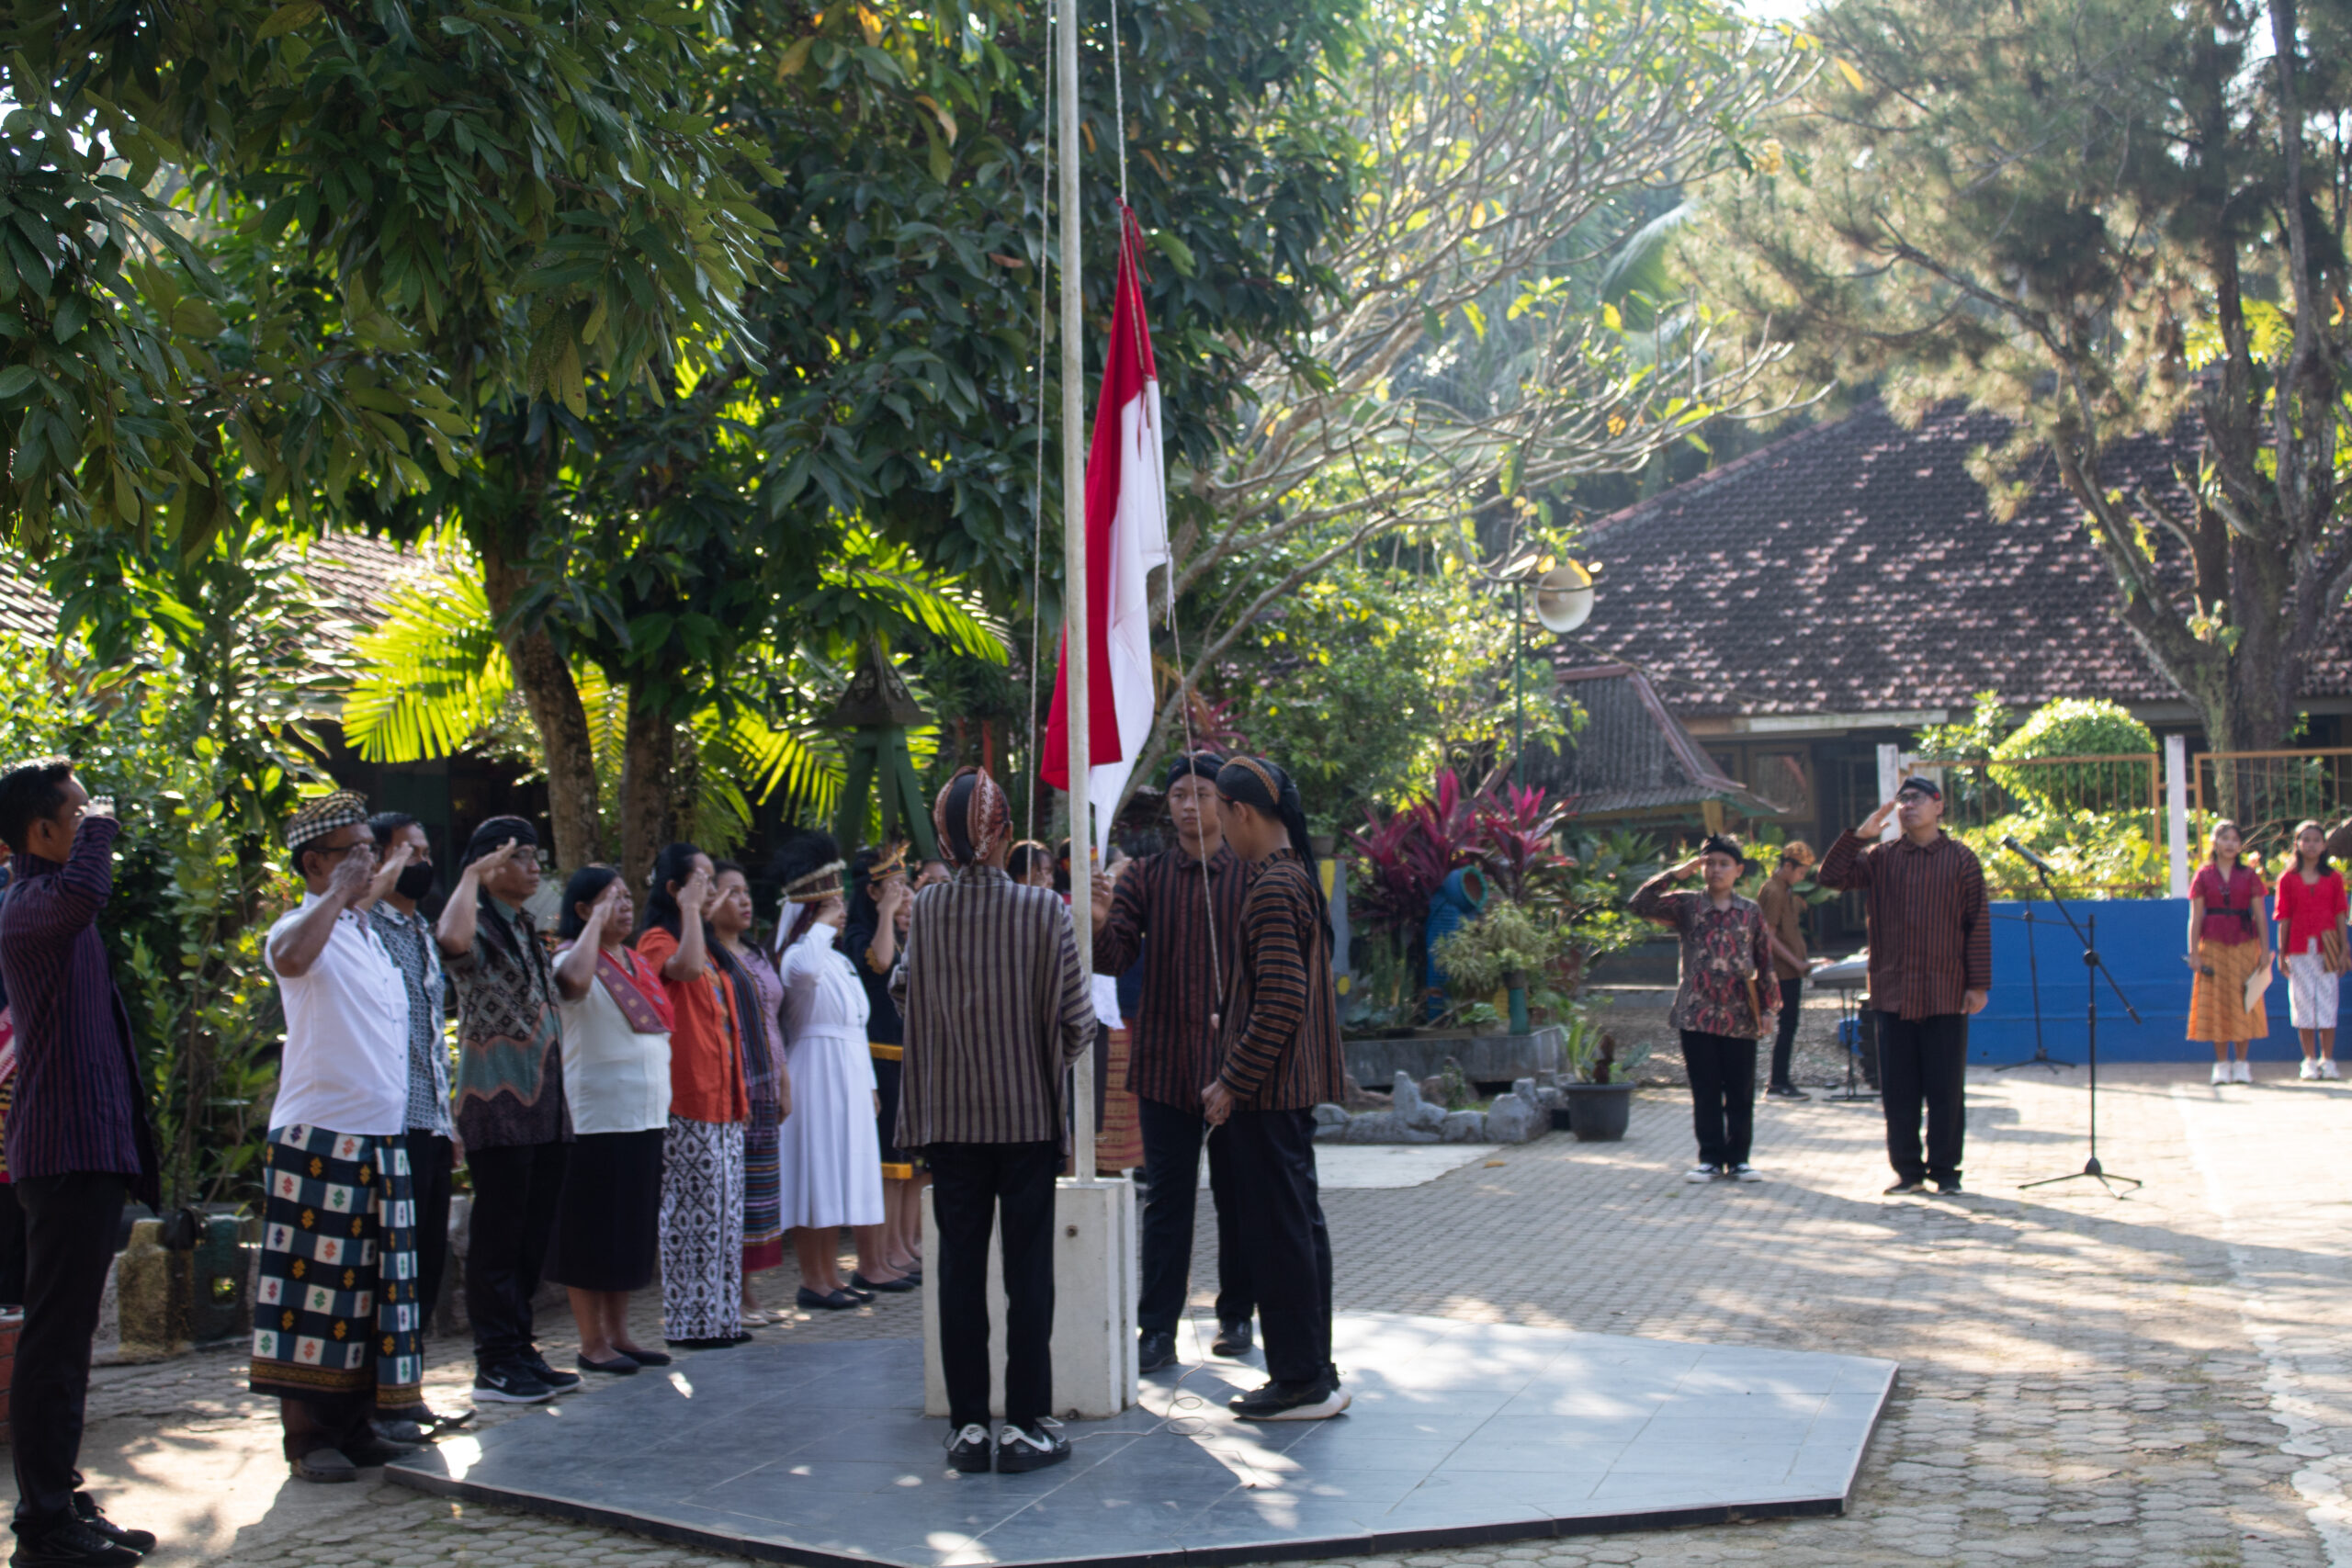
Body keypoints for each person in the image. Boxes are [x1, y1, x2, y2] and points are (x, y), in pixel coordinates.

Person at [892, 767, 1092, 1475]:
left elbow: (903, 990)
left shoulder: (931, 907)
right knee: (1028, 1275)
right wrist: (1040, 1059)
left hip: (948, 1121)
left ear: (944, 841)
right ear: (1004, 834)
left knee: (958, 1271)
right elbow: (1078, 1020)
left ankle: (969, 1424)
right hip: (1027, 1119)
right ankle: (1029, 1421)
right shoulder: (1046, 911)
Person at [0, 760, 160, 1567]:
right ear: (42, 832)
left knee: (69, 1341)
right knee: (52, 1343)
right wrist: (102, 826)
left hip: (88, 1150)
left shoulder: (55, 909)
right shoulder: (30, 906)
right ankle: (42, 1528)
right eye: (77, 809)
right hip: (60, 1152)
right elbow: (87, 891)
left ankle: (59, 1501)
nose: (94, 818)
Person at [254, 793, 428, 1483]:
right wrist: (337, 894)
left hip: (380, 1136)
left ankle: (357, 1426)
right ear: (315, 862)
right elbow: (292, 960)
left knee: (369, 1291)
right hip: (318, 1136)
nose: (369, 860)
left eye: (370, 848)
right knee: (312, 1293)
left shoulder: (367, 937)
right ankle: (307, 1437)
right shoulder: (301, 923)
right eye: (353, 850)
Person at [1088, 751, 1254, 1374]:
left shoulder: (1252, 872)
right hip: (1163, 1063)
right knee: (1167, 1201)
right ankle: (1156, 1326)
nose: (1189, 804)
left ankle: (1237, 1312)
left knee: (1238, 1193)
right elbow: (1112, 957)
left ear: (1225, 803)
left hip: (1239, 1064)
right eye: (1180, 794)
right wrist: (1101, 920)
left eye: (1202, 793)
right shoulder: (1145, 876)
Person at [1205, 755, 1349, 1423]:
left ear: (1240, 812)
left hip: (1267, 1094)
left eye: (1217, 811)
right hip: (1289, 1091)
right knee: (1299, 1229)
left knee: (1279, 1235)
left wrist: (1231, 1078)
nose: (1217, 828)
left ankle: (1298, 1378)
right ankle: (1313, 1368)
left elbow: (1283, 999)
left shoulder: (1269, 888)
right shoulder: (1295, 879)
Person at [437, 818, 579, 1404]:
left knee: (532, 1233)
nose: (534, 867)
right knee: (498, 1235)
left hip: (545, 1099)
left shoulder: (525, 923)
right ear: (488, 865)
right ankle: (493, 1361)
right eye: (520, 857)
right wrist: (470, 873)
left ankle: (521, 1348)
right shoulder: (478, 921)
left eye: (535, 856)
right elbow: (449, 940)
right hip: (495, 1100)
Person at [1816, 776, 1990, 1197]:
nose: (1907, 806)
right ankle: (1908, 1171)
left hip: (1946, 991)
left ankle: (1946, 1171)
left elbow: (1977, 925)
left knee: (1946, 1088)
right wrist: (1859, 837)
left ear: (1939, 806)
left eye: (1916, 799)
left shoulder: (1963, 860)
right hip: (1893, 993)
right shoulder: (1881, 858)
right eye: (1902, 800)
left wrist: (1978, 984)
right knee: (1899, 1089)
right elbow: (1830, 877)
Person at [545, 866, 675, 1374]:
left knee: (629, 1229)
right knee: (589, 1229)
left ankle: (621, 1333)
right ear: (582, 910)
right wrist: (591, 930)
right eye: (609, 899)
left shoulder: (635, 963)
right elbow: (570, 986)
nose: (624, 905)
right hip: (595, 1116)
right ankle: (590, 1340)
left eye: (626, 897)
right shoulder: (572, 957)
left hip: (643, 1114)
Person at [769, 829, 899, 1308]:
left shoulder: (839, 960)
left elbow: (857, 1024)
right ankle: (813, 1279)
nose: (841, 910)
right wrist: (820, 924)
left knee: (841, 1175)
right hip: (814, 1075)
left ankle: (833, 1276)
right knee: (815, 1177)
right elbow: (801, 972)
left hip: (846, 1074)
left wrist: (868, 1083)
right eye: (831, 903)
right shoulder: (799, 955)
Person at [637, 842, 750, 1351]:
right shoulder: (660, 938)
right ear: (674, 888)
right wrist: (688, 910)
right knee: (692, 1213)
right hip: (687, 1098)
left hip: (725, 1096)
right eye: (700, 880)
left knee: (726, 1211)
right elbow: (679, 972)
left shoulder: (709, 944)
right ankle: (690, 1322)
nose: (711, 889)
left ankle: (722, 1316)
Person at [362, 815, 458, 1365]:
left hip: (431, 1119)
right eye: (408, 853)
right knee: (390, 1262)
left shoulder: (420, 928)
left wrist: (450, 1120)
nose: (422, 863)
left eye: (424, 853)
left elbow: (429, 1034)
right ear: (378, 859)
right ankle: (382, 1388)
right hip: (389, 1119)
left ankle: (409, 1379)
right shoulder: (363, 924)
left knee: (426, 1258)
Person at [1630, 836, 1780, 1184]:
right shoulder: (1687, 906)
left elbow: (1764, 960)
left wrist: (1770, 1008)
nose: (1715, 870)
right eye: (1709, 863)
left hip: (1741, 1014)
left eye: (1723, 863)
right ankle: (1709, 1158)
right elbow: (1639, 904)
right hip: (1696, 1013)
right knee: (1705, 1089)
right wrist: (1676, 875)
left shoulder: (1750, 912)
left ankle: (1739, 1158)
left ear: (1738, 870)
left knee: (1740, 1089)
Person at [707, 861, 791, 1317]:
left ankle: (748, 1291)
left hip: (765, 1080)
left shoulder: (756, 954)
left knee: (759, 1190)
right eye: (730, 892)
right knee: (731, 1190)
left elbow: (772, 1022)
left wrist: (783, 1081)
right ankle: (731, 1293)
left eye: (745, 891)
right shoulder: (706, 956)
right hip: (729, 1083)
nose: (743, 900)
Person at [842, 845, 926, 1281]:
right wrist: (888, 915)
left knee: (910, 1162)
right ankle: (886, 1249)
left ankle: (905, 1241)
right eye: (892, 886)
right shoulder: (859, 933)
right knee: (889, 1163)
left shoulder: (900, 928)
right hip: (878, 1058)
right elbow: (882, 963)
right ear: (872, 892)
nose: (903, 892)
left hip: (910, 1054)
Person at [2187, 820, 2271, 1084]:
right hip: (2212, 945)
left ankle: (2242, 1064)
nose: (2230, 843)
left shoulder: (2249, 876)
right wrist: (2193, 952)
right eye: (2225, 838)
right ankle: (2221, 1064)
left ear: (2241, 845)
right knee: (2216, 1003)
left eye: (2235, 839)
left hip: (2245, 944)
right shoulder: (2203, 875)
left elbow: (2260, 915)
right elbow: (2196, 916)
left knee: (2244, 1001)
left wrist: (2265, 952)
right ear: (2215, 842)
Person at [2275, 819, 2348, 1079]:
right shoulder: (2287, 879)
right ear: (2296, 843)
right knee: (2303, 1004)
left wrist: (2343, 949)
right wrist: (2281, 953)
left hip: (2327, 946)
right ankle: (2309, 1059)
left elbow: (2341, 914)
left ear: (2324, 844)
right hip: (2298, 948)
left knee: (2328, 1003)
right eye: (2306, 839)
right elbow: (2283, 916)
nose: (2311, 845)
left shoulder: (2334, 878)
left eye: (2316, 840)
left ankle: (2328, 1060)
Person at [1754, 841, 1815, 1100]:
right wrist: (1797, 962)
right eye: (1800, 872)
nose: (1802, 878)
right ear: (1788, 866)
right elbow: (1768, 935)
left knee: (1789, 1025)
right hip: (1782, 971)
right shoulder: (1775, 891)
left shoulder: (1786, 889)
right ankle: (1778, 1082)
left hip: (1791, 970)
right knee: (1786, 1025)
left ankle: (1780, 1080)